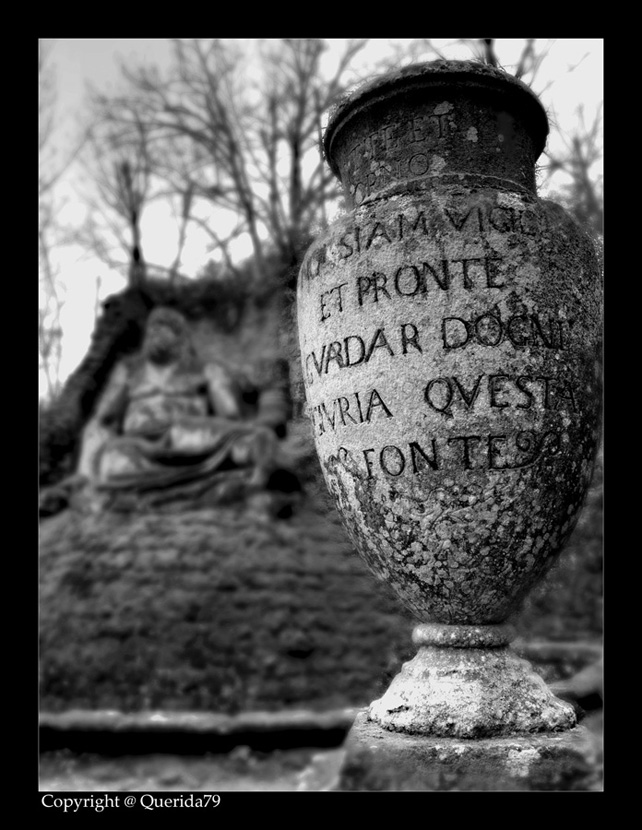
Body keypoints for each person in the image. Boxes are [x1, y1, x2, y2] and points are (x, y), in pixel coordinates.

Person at [88, 306, 279, 499]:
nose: (153, 333)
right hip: (138, 445)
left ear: (180, 338)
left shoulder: (204, 369)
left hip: (187, 435)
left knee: (248, 439)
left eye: (163, 328)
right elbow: (104, 418)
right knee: (111, 458)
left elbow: (230, 415)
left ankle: (252, 469)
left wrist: (223, 381)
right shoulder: (130, 371)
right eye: (151, 329)